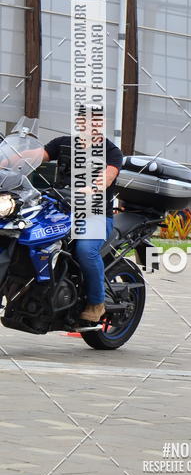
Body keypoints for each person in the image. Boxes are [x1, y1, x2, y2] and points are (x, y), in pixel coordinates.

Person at [43, 107, 123, 325]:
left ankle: (97, 303)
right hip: (61, 209)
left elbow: (108, 176)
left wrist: (93, 188)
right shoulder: (63, 144)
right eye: (84, 120)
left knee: (86, 251)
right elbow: (37, 156)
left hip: (95, 215)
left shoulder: (111, 151)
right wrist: (10, 161)